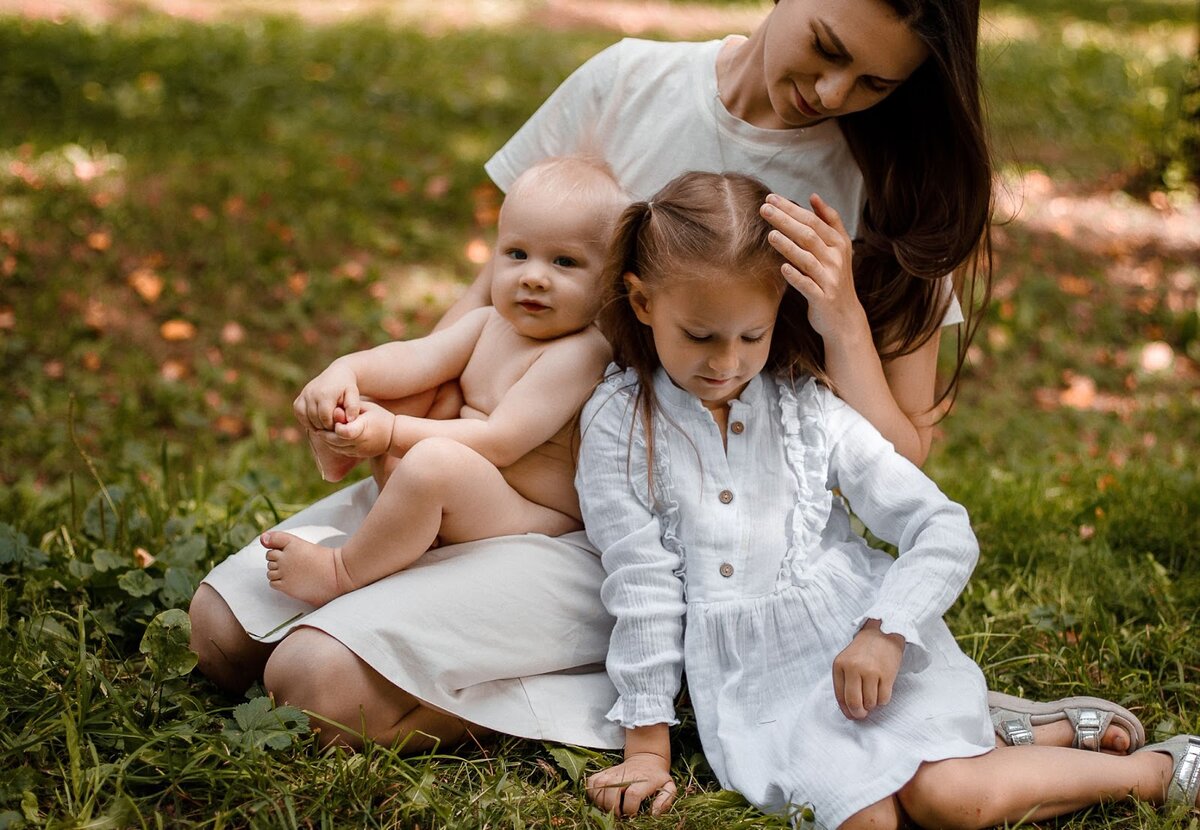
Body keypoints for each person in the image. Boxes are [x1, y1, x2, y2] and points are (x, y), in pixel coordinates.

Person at [189, 0, 1138, 755]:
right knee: (222, 634)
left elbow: (906, 453)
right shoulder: (628, 83)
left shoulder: (894, 191)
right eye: (826, 47)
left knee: (309, 683)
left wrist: (842, 313)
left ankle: (662, 682)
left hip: (648, 545)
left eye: (874, 82)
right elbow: (499, 289)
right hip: (478, 480)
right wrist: (397, 412)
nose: (832, 91)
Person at [577, 170, 1199, 828]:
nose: (727, 362)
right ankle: (1003, 735)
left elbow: (941, 525)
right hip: (755, 689)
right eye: (700, 336)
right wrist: (647, 750)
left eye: (752, 336)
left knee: (949, 799)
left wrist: (887, 630)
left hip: (863, 643)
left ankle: (1154, 772)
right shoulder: (620, 424)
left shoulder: (805, 410)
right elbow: (641, 586)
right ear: (642, 302)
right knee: (865, 820)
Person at [257, 156, 623, 607]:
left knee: (431, 461)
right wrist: (346, 370)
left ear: (608, 281)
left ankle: (341, 571)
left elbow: (501, 441)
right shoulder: (490, 323)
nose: (533, 277)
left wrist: (391, 432)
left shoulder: (581, 352)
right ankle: (353, 455)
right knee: (404, 396)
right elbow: (416, 357)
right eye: (516, 254)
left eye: (564, 262)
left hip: (529, 512)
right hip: (477, 488)